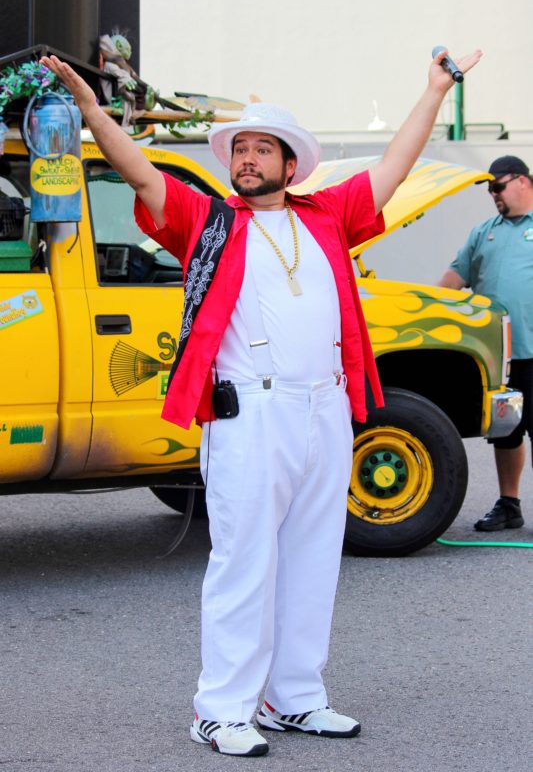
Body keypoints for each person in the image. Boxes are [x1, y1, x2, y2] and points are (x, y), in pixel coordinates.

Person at [42, 47, 481, 757]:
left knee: (311, 560)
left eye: (259, 149)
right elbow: (141, 174)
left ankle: (294, 699)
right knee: (244, 562)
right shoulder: (207, 220)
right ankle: (219, 709)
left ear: (289, 163)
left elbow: (393, 170)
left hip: (325, 411)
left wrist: (432, 92)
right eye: (238, 149)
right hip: (249, 414)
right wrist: (93, 115)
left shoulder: (328, 215)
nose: (245, 159)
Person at [439, 155, 533, 533]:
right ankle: (509, 505)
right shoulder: (484, 232)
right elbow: (455, 277)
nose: (492, 194)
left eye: (498, 186)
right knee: (506, 432)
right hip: (500, 355)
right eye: (489, 189)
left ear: (524, 182)